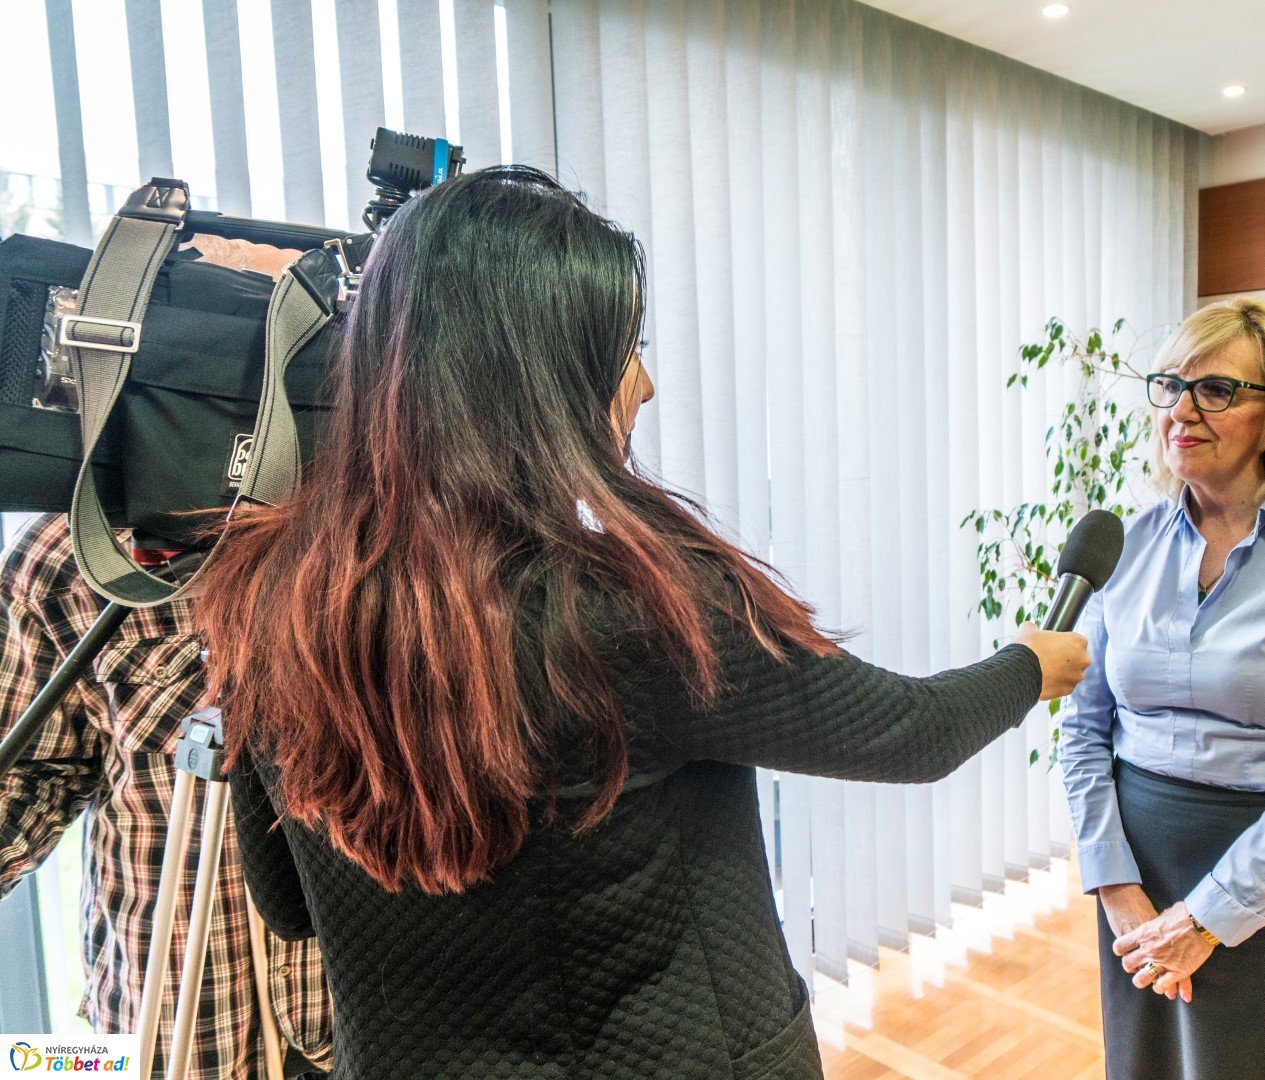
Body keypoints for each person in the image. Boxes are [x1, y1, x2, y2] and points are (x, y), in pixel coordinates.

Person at [191, 165, 1091, 1080]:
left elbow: (290, 904)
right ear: (536, 377)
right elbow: (908, 733)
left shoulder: (265, 601)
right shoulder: (623, 616)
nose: (647, 384)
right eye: (624, 349)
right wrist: (1030, 663)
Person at [1058, 297, 1265, 1080]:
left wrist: (1206, 919)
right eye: (1170, 383)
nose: (1180, 409)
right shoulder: (1124, 544)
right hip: (1136, 878)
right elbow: (1082, 731)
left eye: (1214, 390)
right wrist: (1115, 890)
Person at [0, 515, 332, 1080]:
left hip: (361, 1004)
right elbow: (26, 778)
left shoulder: (380, 509)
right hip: (169, 1016)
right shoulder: (75, 550)